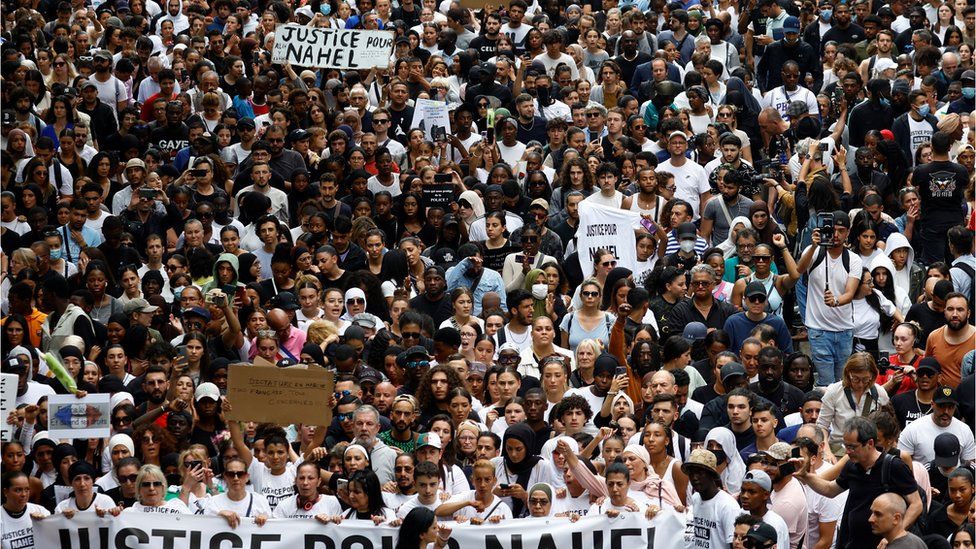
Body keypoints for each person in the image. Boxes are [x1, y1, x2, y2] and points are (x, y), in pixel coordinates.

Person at [795, 417, 923, 549]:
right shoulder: (851, 465)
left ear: (870, 443)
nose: (848, 452)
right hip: (851, 542)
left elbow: (916, 504)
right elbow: (830, 490)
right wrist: (806, 476)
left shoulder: (893, 466)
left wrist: (896, 535)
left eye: (852, 447)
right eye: (846, 446)